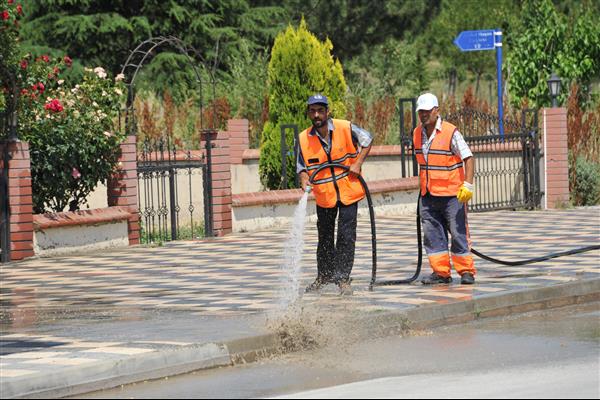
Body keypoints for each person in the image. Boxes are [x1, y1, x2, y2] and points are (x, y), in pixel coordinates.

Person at [297, 94, 373, 295]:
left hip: (348, 191)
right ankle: (324, 276)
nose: (316, 115)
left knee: (346, 236)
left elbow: (368, 139)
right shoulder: (304, 138)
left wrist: (357, 163)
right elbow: (301, 166)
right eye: (312, 111)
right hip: (325, 196)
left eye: (320, 110)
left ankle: (343, 279)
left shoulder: (345, 127)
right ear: (308, 113)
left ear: (327, 111)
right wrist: (303, 178)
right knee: (324, 237)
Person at [413, 93, 477, 285]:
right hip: (428, 194)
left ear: (436, 110)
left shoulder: (450, 132)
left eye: (426, 111)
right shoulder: (416, 133)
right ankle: (441, 273)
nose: (423, 115)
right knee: (433, 235)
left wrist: (467, 185)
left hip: (452, 196)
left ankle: (466, 271)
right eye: (420, 111)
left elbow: (469, 157)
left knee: (458, 234)